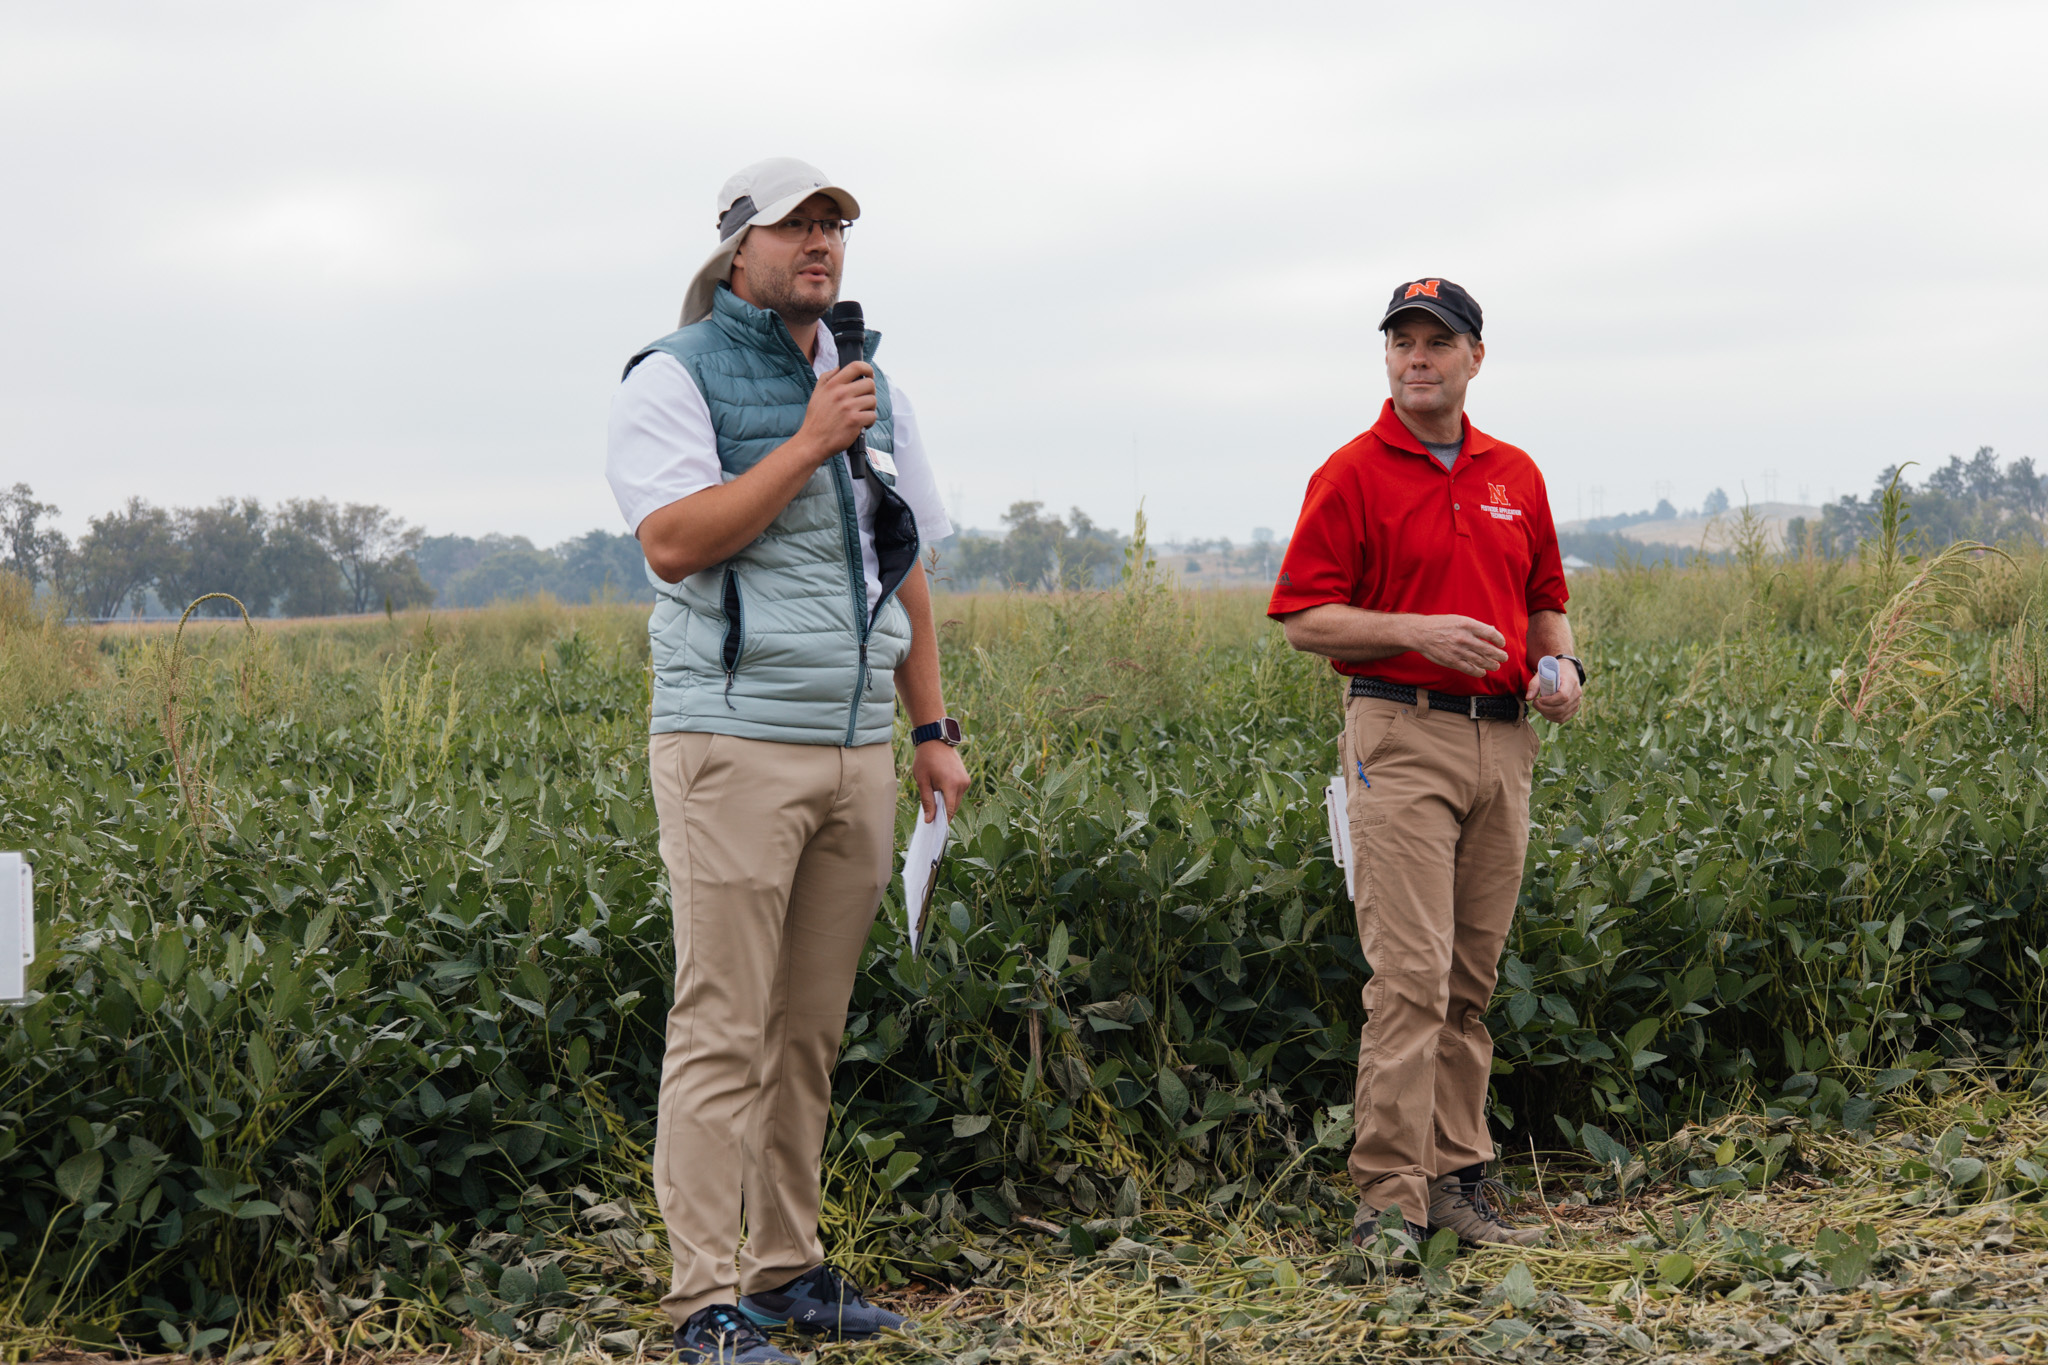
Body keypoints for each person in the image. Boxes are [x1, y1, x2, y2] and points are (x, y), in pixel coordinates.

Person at [605, 157, 971, 1364]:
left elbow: (902, 562)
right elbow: (671, 541)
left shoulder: (870, 387)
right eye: (794, 226)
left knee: (807, 1029)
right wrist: (809, 441)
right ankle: (703, 1298)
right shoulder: (673, 375)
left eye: (833, 227)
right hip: (730, 744)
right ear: (736, 251)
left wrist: (927, 730)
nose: (819, 243)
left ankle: (785, 1272)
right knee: (722, 1024)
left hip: (857, 747)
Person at [1267, 278, 1584, 1261]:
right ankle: (1386, 1210)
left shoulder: (1513, 475)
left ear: (1472, 359)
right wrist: (1410, 632)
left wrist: (1562, 667)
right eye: (1401, 341)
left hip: (1503, 741)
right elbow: (1300, 619)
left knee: (1467, 980)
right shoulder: (1351, 473)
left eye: (1436, 342)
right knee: (1407, 977)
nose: (1416, 357)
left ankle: (1455, 1182)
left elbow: (1544, 603)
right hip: (1397, 738)